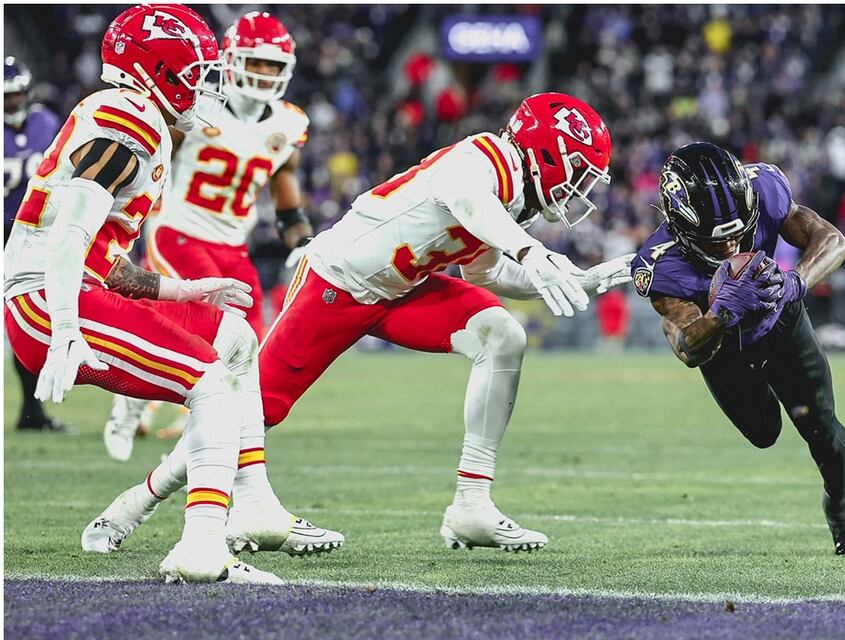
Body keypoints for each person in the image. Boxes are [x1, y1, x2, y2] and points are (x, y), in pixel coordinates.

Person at [5, 4, 337, 584]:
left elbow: (104, 261)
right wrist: (64, 329)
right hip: (49, 300)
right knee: (209, 383)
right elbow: (70, 235)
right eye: (196, 74)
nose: (206, 87)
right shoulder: (129, 119)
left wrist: (185, 289)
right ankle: (201, 548)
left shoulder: (138, 116)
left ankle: (219, 502)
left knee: (237, 341)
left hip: (75, 288)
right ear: (157, 71)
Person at [260, 92, 632, 552]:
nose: (579, 188)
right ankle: (225, 510)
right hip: (338, 279)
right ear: (548, 155)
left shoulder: (512, 200)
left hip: (401, 291)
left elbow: (486, 273)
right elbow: (464, 196)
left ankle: (471, 504)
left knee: (502, 337)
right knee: (254, 408)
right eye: (578, 171)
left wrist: (582, 280)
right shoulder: (485, 156)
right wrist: (531, 251)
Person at [630, 142, 845, 557]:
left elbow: (834, 241)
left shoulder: (765, 190)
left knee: (822, 430)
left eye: (738, 232)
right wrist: (720, 315)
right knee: (764, 433)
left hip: (781, 321)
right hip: (723, 350)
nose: (730, 247)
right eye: (716, 241)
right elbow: (687, 348)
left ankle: (838, 500)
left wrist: (796, 282)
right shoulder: (660, 264)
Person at [102, 10, 313, 462]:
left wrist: (301, 242)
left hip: (233, 243)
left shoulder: (289, 123)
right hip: (179, 231)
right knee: (203, 326)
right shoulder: (198, 106)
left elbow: (287, 198)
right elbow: (152, 160)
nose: (263, 73)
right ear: (232, 60)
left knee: (248, 343)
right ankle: (132, 403)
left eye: (273, 65)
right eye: (255, 62)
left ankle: (201, 424)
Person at [4, 56, 72, 432]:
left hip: (35, 236)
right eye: (6, 97)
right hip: (5, 233)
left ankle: (32, 412)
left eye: (15, 94)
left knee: (28, 322)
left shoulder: (46, 122)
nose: (12, 102)